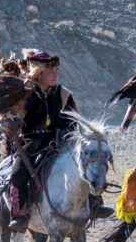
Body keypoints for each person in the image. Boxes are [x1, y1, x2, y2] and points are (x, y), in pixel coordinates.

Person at [8, 50, 113, 231]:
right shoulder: (25, 93)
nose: (55, 74)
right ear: (39, 73)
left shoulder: (63, 93)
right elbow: (13, 117)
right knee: (18, 173)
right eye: (50, 71)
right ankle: (21, 214)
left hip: (62, 140)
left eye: (56, 70)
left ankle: (94, 203)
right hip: (32, 142)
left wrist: (72, 133)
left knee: (88, 162)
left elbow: (73, 118)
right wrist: (12, 125)